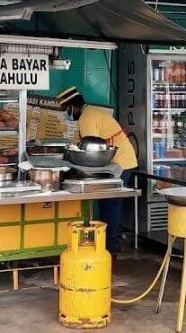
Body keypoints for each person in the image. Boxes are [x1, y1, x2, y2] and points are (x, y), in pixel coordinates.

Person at [56, 86, 138, 256]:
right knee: (107, 204)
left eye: (66, 110)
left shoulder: (87, 117)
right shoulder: (90, 113)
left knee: (110, 205)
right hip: (120, 161)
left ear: (73, 107)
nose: (66, 114)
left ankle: (110, 248)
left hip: (119, 164)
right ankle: (108, 244)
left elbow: (90, 150)